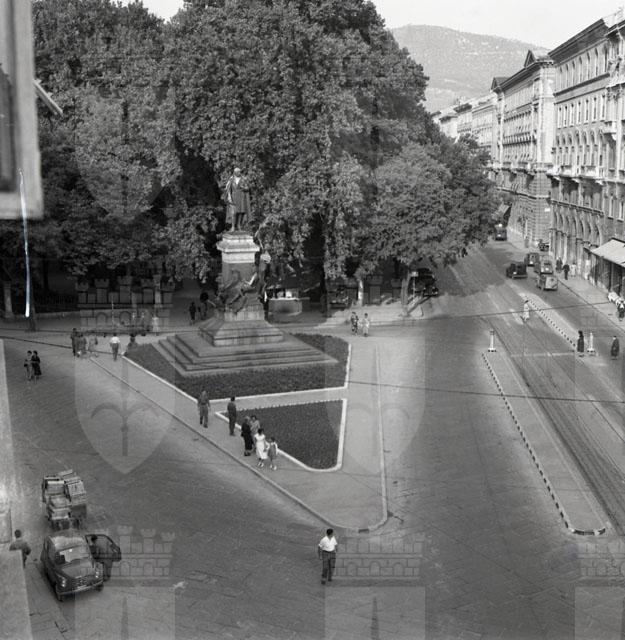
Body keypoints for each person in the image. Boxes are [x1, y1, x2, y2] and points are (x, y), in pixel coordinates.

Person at [224, 167, 251, 231]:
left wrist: (243, 187)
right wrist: (229, 197)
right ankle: (233, 226)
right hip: (233, 197)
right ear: (235, 172)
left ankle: (239, 225)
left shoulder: (243, 179)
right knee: (233, 212)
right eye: (238, 172)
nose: (239, 173)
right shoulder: (231, 179)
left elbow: (248, 188)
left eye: (240, 171)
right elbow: (228, 189)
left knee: (240, 212)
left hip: (241, 197)